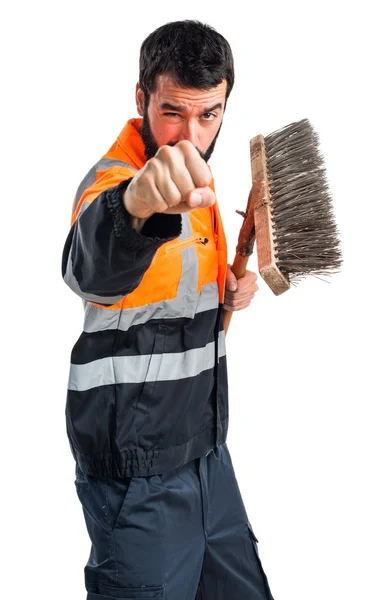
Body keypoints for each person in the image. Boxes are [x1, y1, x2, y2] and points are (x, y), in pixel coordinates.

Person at [62, 19, 275, 600]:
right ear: (142, 98)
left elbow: (170, 298)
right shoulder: (117, 181)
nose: (191, 135)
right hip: (136, 479)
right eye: (173, 112)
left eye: (209, 114)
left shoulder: (200, 180)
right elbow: (91, 265)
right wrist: (136, 206)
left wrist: (226, 295)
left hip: (208, 454)